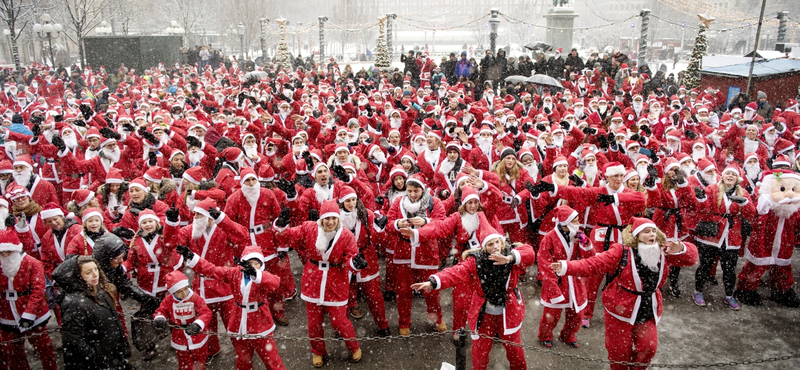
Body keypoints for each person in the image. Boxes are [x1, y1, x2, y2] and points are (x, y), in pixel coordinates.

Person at [550, 217, 698, 370]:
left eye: (654, 231)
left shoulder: (662, 249)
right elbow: (594, 264)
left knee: (648, 348)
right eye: (646, 232)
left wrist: (682, 248)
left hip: (648, 308)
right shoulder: (621, 250)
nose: (652, 234)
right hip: (619, 308)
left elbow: (692, 258)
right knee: (619, 353)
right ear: (636, 235)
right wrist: (566, 266)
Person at [412, 216, 535, 370]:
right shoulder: (475, 260)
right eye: (491, 244)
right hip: (484, 311)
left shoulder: (510, 251)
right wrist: (433, 281)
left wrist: (510, 258)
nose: (496, 246)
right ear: (484, 247)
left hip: (508, 309)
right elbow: (455, 272)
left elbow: (529, 253)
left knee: (514, 348)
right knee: (480, 349)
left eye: (497, 241)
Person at [274, 199, 365, 367]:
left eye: (334, 219)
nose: (330, 222)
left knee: (339, 321)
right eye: (326, 218)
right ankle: (317, 351)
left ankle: (353, 346)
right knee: (314, 323)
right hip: (313, 280)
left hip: (336, 280)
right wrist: (281, 226)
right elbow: (288, 236)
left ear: (338, 219)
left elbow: (351, 258)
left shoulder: (346, 235)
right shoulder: (309, 228)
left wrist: (355, 263)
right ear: (321, 219)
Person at [177, 245, 287, 370]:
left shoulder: (262, 277)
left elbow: (275, 282)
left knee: (272, 360)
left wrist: (255, 273)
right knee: (242, 360)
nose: (252, 266)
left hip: (260, 323)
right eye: (249, 262)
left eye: (256, 263)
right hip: (239, 322)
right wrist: (193, 258)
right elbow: (212, 270)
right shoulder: (235, 273)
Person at [53, 255, 132, 370]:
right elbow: (74, 341)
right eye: (88, 272)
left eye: (96, 269)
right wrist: (99, 360)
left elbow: (114, 320)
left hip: (109, 355)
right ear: (77, 276)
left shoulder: (96, 290)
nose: (95, 274)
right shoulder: (74, 303)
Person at [537, 206, 594, 348]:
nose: (578, 223)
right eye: (575, 221)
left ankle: (568, 334)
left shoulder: (577, 235)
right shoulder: (549, 238)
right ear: (566, 223)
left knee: (577, 313)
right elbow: (545, 264)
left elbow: (590, 256)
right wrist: (552, 286)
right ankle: (545, 335)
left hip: (574, 278)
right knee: (552, 313)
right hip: (557, 279)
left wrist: (585, 241)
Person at [0, 228, 57, 370]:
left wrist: (29, 314)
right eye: (2, 253)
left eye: (9, 252)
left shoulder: (32, 263)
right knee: (13, 353)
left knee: (44, 349)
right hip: (7, 314)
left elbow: (38, 290)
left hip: (33, 312)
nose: (5, 255)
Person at [153, 270, 212, 370]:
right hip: (179, 337)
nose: (184, 293)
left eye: (186, 289)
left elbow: (206, 312)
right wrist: (159, 318)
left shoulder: (195, 298)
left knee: (200, 360)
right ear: (173, 292)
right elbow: (160, 311)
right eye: (179, 291)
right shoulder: (168, 300)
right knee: (184, 363)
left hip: (197, 336)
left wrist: (198, 324)